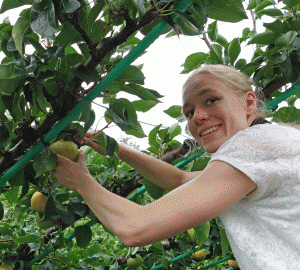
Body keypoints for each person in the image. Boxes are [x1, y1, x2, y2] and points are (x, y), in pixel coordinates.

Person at [53, 64, 300, 270]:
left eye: (211, 100)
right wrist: (115, 147)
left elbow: (134, 228)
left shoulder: (253, 145)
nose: (198, 117)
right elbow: (179, 179)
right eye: (189, 112)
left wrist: (81, 182)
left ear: (248, 103)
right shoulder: (265, 149)